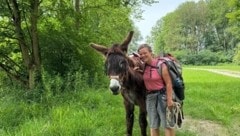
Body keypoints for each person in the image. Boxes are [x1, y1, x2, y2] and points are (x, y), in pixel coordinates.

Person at [137, 44, 176, 136]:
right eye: (140, 54)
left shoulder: (161, 65)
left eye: (145, 53)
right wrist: (140, 72)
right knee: (153, 124)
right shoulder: (144, 66)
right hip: (150, 97)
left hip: (163, 96)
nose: (143, 55)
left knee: (167, 124)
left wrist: (170, 100)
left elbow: (168, 83)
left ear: (150, 53)